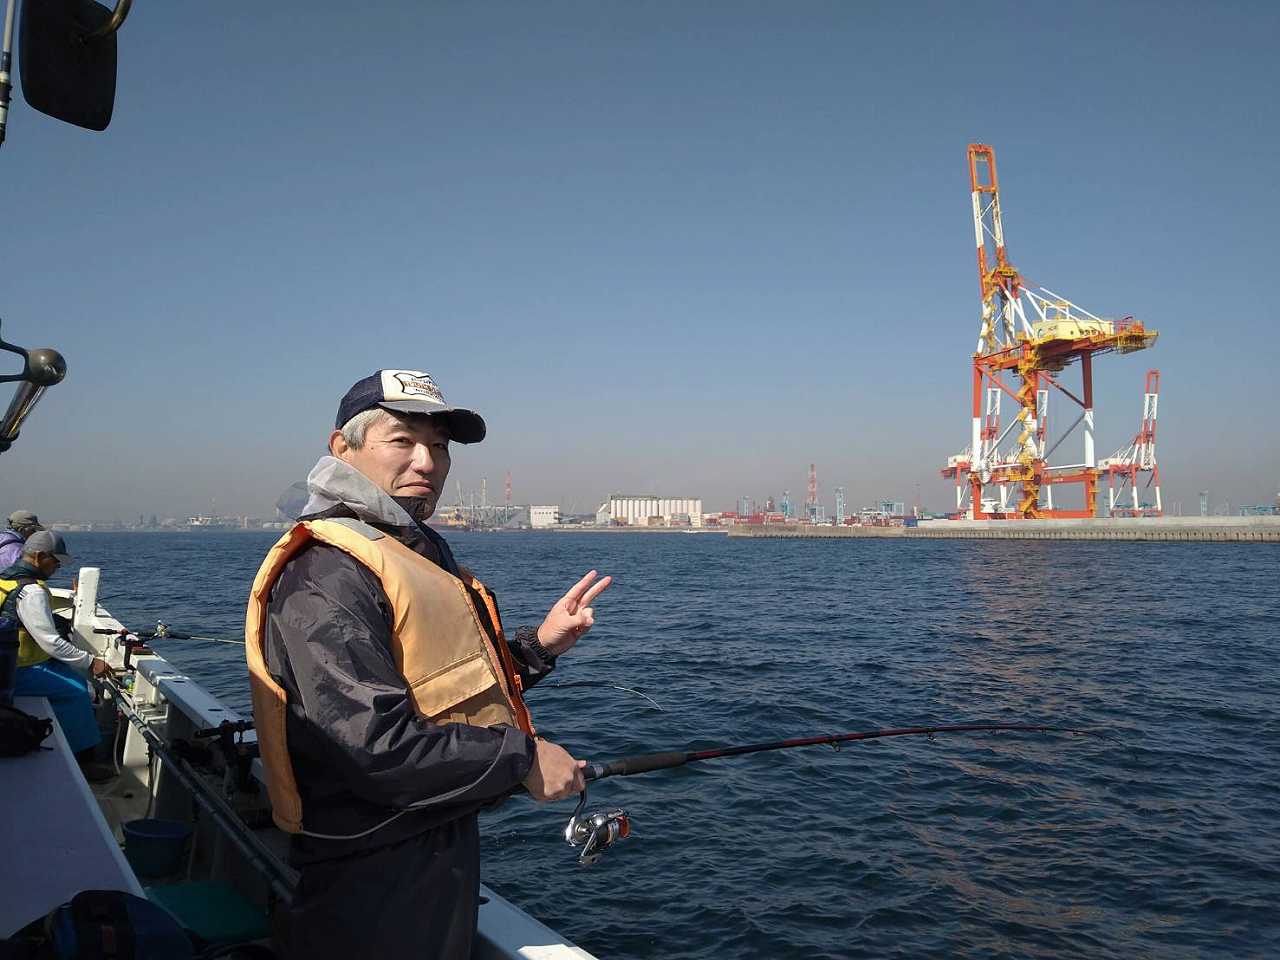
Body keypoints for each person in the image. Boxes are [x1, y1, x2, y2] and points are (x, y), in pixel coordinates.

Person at [244, 369, 611, 960]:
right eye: (403, 441)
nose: (427, 462)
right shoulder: (328, 574)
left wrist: (540, 646)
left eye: (439, 446)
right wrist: (523, 759)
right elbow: (373, 746)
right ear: (342, 447)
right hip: (373, 871)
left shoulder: (401, 546)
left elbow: (439, 684)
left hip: (424, 841)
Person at [0, 531, 110, 768]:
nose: (58, 567)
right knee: (78, 691)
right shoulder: (32, 592)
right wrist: (91, 661)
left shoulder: (5, 581)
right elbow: (50, 642)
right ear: (39, 557)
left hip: (9, 665)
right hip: (19, 671)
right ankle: (83, 762)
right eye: (56, 561)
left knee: (75, 680)